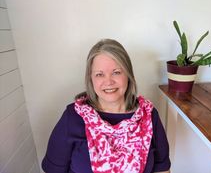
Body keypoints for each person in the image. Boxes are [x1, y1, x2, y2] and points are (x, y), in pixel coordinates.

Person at [42, 39, 171, 173]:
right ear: (91, 79)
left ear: (128, 74)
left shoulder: (148, 116)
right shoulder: (73, 117)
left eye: (116, 72)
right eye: (99, 74)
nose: (108, 81)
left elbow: (162, 170)